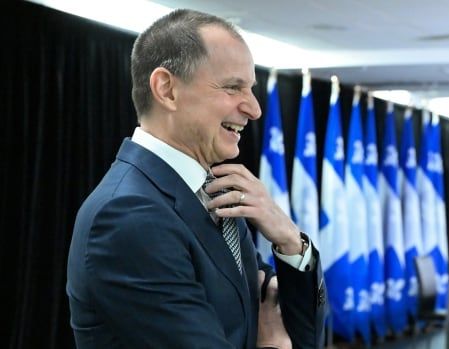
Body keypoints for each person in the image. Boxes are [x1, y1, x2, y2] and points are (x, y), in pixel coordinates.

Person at [66, 9, 326, 349]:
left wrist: (291, 242)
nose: (254, 108)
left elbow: (302, 334)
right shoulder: (129, 215)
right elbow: (276, 336)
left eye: (251, 89)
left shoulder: (213, 193)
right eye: (233, 87)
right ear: (166, 89)